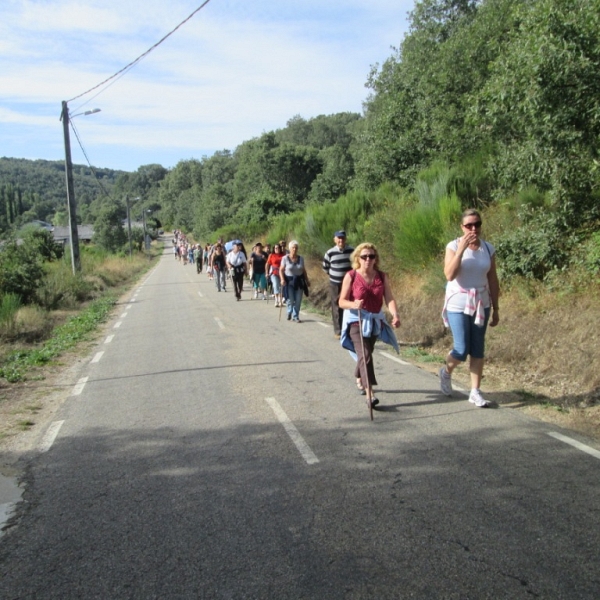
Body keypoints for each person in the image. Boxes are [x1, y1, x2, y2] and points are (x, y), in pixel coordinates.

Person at [439, 209, 500, 408]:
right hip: (459, 302)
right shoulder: (453, 246)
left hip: (482, 303)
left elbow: (492, 278)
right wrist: (461, 250)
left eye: (477, 224)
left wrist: (496, 308)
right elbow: (449, 275)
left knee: (477, 348)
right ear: (462, 227)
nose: (474, 229)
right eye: (469, 225)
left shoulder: (488, 249)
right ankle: (446, 372)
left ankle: (475, 391)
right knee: (461, 348)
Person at [339, 243, 401, 408]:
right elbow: (341, 301)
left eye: (371, 256)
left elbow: (389, 298)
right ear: (358, 258)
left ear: (376, 259)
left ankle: (359, 376)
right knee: (365, 355)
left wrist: (395, 314)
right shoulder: (351, 275)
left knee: (365, 354)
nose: (368, 259)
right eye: (364, 256)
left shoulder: (381, 276)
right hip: (355, 320)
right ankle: (370, 394)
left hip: (374, 321)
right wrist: (353, 304)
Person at [323, 230, 354, 339]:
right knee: (336, 307)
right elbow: (325, 267)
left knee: (348, 306)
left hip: (349, 284)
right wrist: (333, 276)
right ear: (335, 239)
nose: (341, 240)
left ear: (345, 239)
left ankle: (349, 330)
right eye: (338, 238)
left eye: (342, 238)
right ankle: (338, 331)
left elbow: (355, 265)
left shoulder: (352, 251)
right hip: (335, 284)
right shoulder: (330, 252)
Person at [280, 240, 309, 322]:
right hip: (289, 281)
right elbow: (281, 270)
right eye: (293, 247)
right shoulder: (285, 258)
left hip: (299, 281)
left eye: (296, 248)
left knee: (298, 299)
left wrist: (307, 280)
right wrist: (282, 279)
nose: (295, 249)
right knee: (291, 299)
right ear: (290, 248)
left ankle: (295, 316)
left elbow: (303, 270)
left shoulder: (301, 259)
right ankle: (289, 311)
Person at [266, 243, 285, 307]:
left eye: (278, 248)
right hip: (274, 273)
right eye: (275, 248)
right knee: (276, 285)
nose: (277, 249)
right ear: (274, 249)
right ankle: (276, 300)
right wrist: (267, 273)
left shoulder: (283, 255)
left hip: (282, 273)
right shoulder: (271, 255)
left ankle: (280, 300)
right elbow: (267, 264)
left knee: (281, 286)